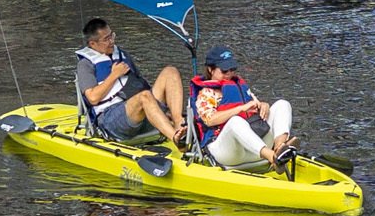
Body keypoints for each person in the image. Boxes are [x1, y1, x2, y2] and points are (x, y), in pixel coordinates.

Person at [75, 15, 188, 146]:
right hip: (111, 119)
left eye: (112, 36)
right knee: (144, 97)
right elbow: (92, 98)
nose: (111, 41)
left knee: (170, 71)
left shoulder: (122, 55)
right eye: (106, 39)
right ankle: (176, 139)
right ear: (92, 44)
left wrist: (161, 110)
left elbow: (139, 84)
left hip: (139, 112)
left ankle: (179, 124)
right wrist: (114, 75)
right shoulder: (85, 64)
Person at [190, 48, 295, 171]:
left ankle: (280, 148)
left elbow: (255, 105)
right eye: (224, 70)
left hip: (253, 146)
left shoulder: (238, 85)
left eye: (232, 69)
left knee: (282, 104)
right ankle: (273, 157)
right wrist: (239, 109)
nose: (229, 73)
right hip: (227, 152)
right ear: (210, 69)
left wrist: (263, 105)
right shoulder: (206, 94)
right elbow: (210, 120)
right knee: (235, 121)